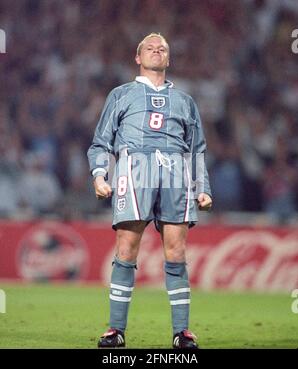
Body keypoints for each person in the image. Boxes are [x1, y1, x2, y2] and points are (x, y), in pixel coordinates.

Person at [87, 33, 212, 349]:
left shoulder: (185, 100)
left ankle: (181, 332)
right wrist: (100, 175)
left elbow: (196, 149)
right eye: (150, 47)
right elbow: (101, 142)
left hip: (176, 172)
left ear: (168, 59)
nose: (157, 50)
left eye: (163, 48)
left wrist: (203, 187)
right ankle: (116, 331)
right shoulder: (121, 94)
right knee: (127, 248)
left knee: (176, 251)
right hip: (134, 169)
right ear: (137, 57)